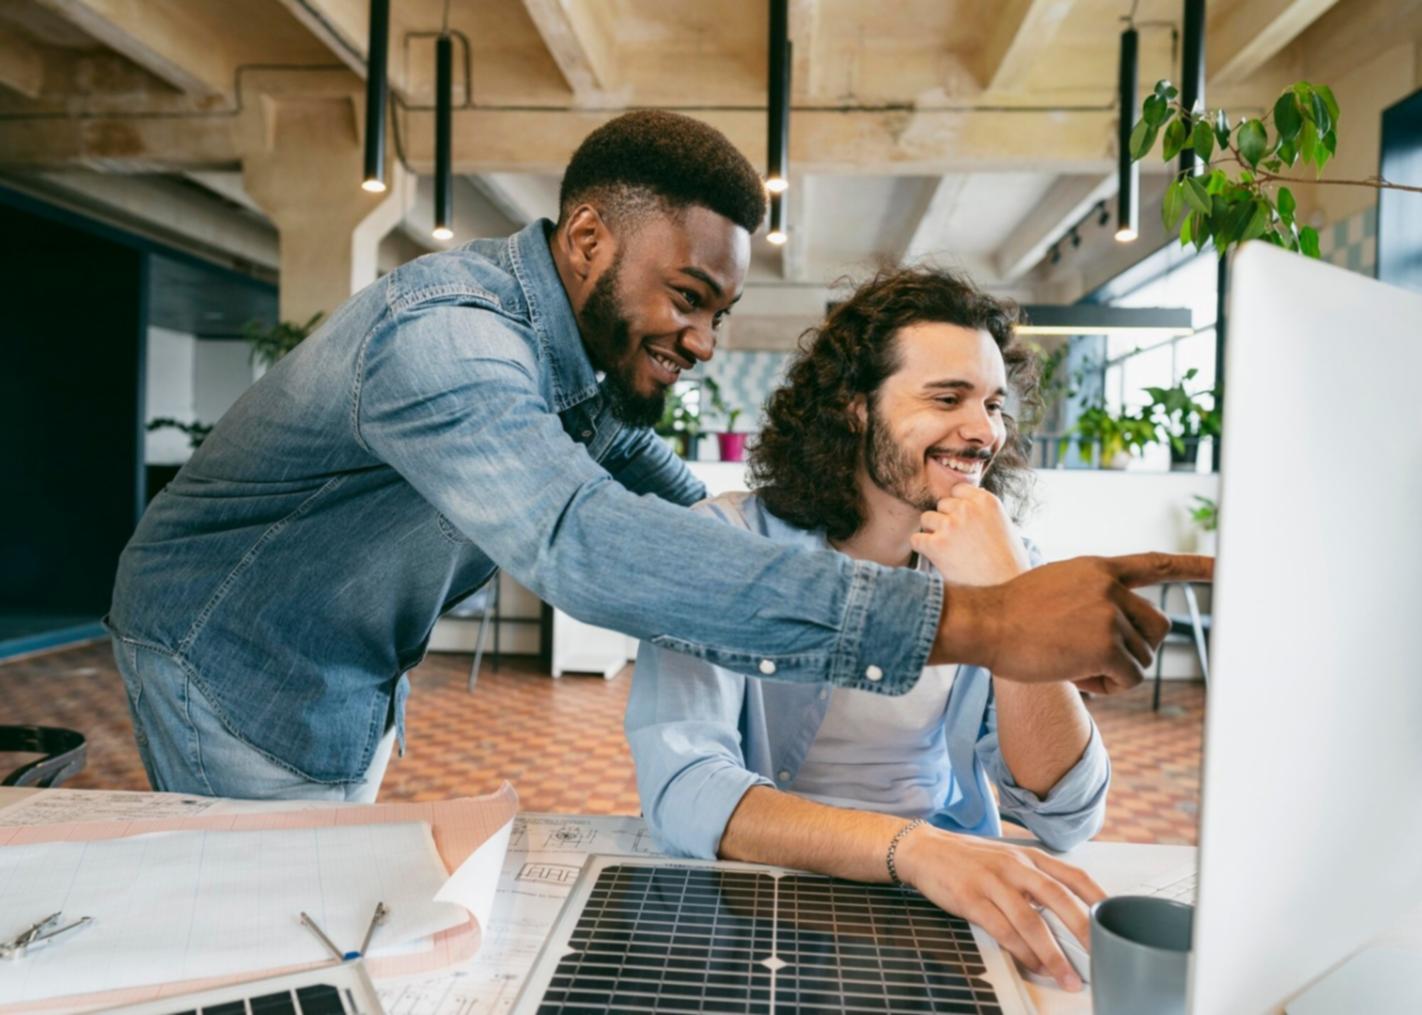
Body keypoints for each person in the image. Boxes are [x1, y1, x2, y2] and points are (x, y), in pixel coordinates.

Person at [107, 109, 1207, 802]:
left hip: (346, 661)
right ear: (587, 240)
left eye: (720, 313)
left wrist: (757, 520)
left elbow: (653, 480)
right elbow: (580, 542)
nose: (702, 341)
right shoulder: (447, 337)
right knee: (283, 926)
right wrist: (983, 623)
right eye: (688, 299)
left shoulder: (572, 358)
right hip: (232, 657)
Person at [626, 267, 1112, 992]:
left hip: (939, 907)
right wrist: (911, 849)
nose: (984, 431)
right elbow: (685, 788)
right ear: (854, 407)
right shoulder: (724, 544)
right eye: (946, 398)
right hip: (766, 899)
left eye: (992, 404)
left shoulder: (1005, 561)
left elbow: (1067, 813)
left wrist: (1013, 597)